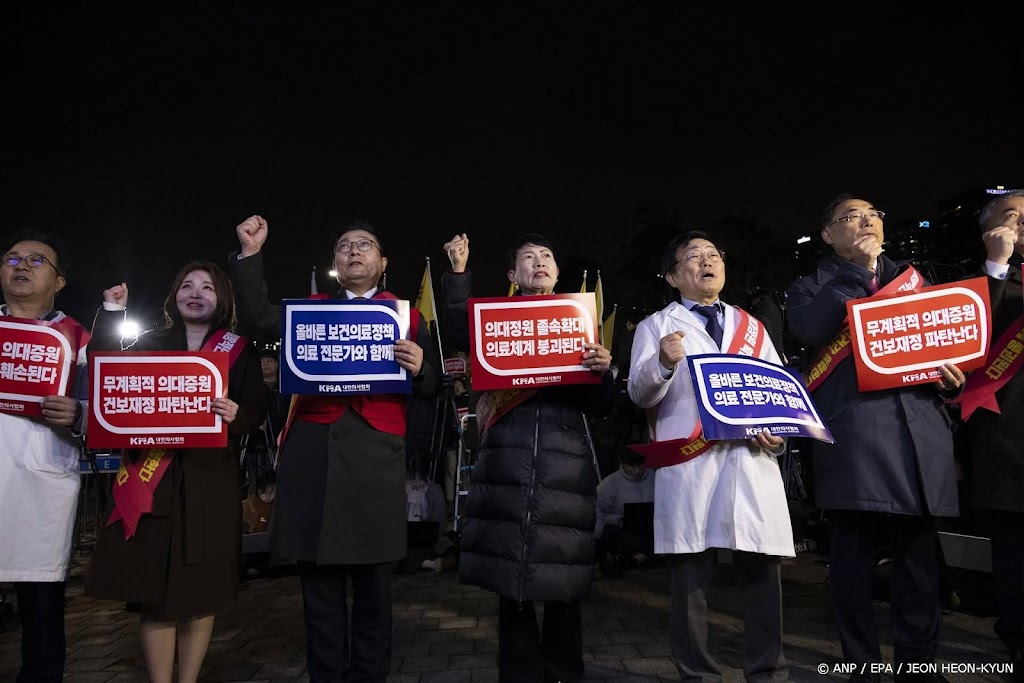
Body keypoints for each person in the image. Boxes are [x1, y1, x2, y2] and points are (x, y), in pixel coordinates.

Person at [228, 215, 438, 682]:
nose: (354, 251)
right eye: (345, 246)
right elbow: (260, 318)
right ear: (335, 263)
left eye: (365, 245)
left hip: (374, 459)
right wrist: (250, 255)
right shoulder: (310, 310)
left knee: (374, 591)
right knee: (318, 588)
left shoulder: (408, 316)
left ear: (383, 263)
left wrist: (422, 367)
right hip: (314, 456)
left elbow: (433, 386)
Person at [786, 194, 964, 682]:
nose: (866, 222)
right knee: (852, 566)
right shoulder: (809, 286)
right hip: (856, 440)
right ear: (827, 234)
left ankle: (919, 666)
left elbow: (944, 343)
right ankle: (860, 665)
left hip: (920, 436)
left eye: (874, 214)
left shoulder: (917, 279)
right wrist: (856, 273)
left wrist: (952, 380)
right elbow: (810, 328)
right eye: (851, 217)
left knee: (920, 566)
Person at [441, 232, 615, 683]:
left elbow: (602, 407)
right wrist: (459, 274)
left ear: (557, 273)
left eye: (547, 257)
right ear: (513, 276)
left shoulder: (579, 323)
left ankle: (563, 673)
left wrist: (603, 373)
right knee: (510, 586)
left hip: (566, 468)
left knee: (564, 585)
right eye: (528, 258)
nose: (539, 263)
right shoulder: (497, 323)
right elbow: (461, 330)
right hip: (506, 467)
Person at [85, 261, 267, 683]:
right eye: (186, 285)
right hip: (153, 478)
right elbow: (104, 371)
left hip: (210, 479)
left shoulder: (238, 349)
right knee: (154, 590)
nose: (195, 292)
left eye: (207, 286)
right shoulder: (151, 342)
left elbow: (256, 409)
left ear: (221, 298)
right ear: (174, 297)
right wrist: (112, 314)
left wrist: (236, 415)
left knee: (200, 593)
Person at [628, 230, 794, 682]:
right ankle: (697, 674)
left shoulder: (751, 326)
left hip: (751, 461)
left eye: (713, 255)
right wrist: (661, 363)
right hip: (691, 463)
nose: (707, 261)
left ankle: (767, 671)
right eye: (694, 256)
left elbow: (777, 390)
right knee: (691, 578)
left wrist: (777, 437)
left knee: (762, 571)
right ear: (672, 275)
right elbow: (639, 394)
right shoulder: (656, 327)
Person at [0, 230, 89, 683]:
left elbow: (105, 412)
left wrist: (78, 413)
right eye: (12, 258)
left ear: (59, 282)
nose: (21, 266)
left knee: (40, 615)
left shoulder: (79, 338)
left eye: (37, 261)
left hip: (40, 488)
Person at [963, 189, 1024, 680]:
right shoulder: (980, 283)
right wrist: (996, 265)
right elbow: (973, 341)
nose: (1023, 224)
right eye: (1013, 217)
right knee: (1016, 558)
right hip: (1009, 442)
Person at [594, 446, 656, 579]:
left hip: (651, 529)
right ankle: (649, 555)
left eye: (640, 466)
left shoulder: (654, 477)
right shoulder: (610, 484)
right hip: (624, 531)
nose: (637, 470)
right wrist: (618, 520)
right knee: (610, 533)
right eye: (632, 466)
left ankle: (636, 558)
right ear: (622, 463)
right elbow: (598, 515)